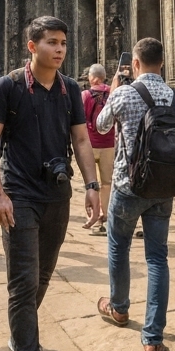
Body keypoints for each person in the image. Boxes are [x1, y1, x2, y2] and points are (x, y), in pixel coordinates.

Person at [0, 16, 102, 351]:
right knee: (22, 281)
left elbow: (81, 140)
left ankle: (21, 333)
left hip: (56, 194)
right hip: (18, 195)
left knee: (42, 277)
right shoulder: (9, 87)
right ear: (32, 47)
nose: (60, 49)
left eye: (63, 42)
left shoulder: (68, 89)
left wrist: (92, 185)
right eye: (52, 42)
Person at [93, 38, 175, 351]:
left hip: (127, 186)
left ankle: (119, 307)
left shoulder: (123, 93)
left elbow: (100, 125)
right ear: (163, 63)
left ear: (135, 64)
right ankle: (153, 338)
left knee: (119, 246)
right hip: (164, 187)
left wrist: (115, 88)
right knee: (157, 258)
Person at [81, 63, 113, 236]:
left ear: (92, 78)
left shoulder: (85, 95)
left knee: (91, 184)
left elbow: (80, 121)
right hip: (109, 144)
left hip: (89, 145)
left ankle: (93, 216)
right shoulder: (114, 93)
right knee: (107, 183)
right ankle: (104, 216)